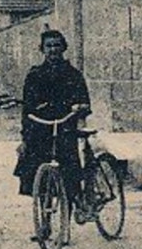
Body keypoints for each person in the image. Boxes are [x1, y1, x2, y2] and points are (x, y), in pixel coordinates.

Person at [14, 29, 93, 206]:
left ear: (63, 48)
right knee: (36, 168)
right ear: (42, 49)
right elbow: (27, 108)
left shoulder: (73, 74)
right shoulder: (34, 75)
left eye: (57, 45)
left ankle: (73, 205)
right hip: (41, 127)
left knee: (69, 171)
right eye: (48, 46)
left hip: (65, 125)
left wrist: (81, 107)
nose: (53, 50)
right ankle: (44, 220)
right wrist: (25, 136)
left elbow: (84, 101)